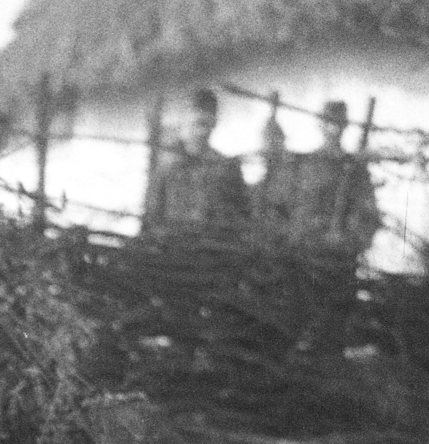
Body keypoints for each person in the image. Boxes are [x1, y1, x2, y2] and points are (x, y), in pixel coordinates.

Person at [265, 99, 379, 352]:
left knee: (333, 330)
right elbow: (281, 207)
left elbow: (368, 215)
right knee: (297, 323)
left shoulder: (356, 169)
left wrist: (348, 241)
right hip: (304, 260)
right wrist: (295, 238)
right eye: (329, 123)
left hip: (339, 262)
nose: (334, 130)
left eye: (339, 124)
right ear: (320, 124)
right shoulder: (304, 165)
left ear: (346, 126)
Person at [144, 87, 250, 237]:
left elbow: (242, 218)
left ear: (214, 124)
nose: (202, 132)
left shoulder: (227, 167)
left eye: (207, 124)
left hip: (211, 249)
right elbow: (153, 218)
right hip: (172, 247)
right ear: (184, 122)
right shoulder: (167, 168)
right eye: (197, 124)